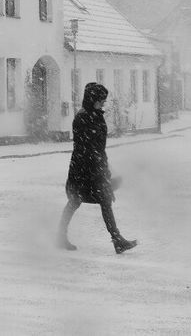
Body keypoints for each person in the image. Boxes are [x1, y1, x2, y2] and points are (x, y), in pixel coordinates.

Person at [57, 82, 138, 254]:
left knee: (96, 201)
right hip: (84, 169)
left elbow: (98, 148)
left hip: (91, 167)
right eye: (101, 100)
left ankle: (117, 240)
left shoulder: (93, 115)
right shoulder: (83, 117)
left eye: (104, 100)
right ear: (93, 99)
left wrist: (105, 168)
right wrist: (100, 170)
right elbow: (88, 148)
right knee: (77, 201)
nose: (103, 103)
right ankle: (116, 240)